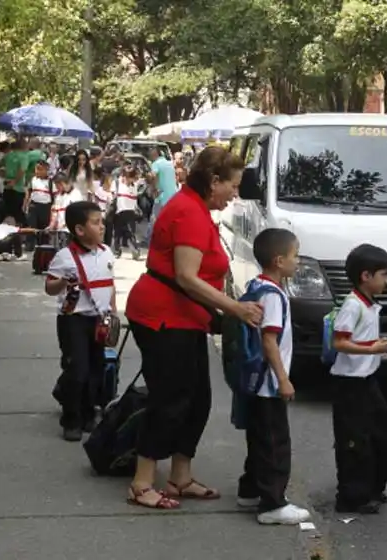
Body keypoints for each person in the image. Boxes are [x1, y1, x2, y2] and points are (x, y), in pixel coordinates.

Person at [123, 146, 262, 510]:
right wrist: (235, 308)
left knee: (198, 399)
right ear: (213, 181)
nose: (235, 193)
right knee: (169, 399)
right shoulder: (187, 211)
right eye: (232, 185)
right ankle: (141, 482)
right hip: (163, 316)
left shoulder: (196, 208)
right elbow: (185, 276)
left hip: (186, 318)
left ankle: (180, 476)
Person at [235, 228, 311, 525]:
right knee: (275, 443)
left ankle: (250, 490)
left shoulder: (256, 285)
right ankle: (272, 504)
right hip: (268, 383)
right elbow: (270, 341)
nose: (298, 261)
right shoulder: (274, 296)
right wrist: (283, 379)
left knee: (258, 439)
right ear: (279, 260)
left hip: (253, 381)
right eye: (295, 255)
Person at [329, 244, 387, 514]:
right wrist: (372, 349)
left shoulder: (370, 304)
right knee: (354, 440)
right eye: (384, 274)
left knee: (383, 434)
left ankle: (372, 487)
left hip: (368, 380)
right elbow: (339, 342)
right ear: (366, 276)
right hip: (350, 383)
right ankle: (351, 497)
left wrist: (374, 346)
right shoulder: (353, 305)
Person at [44, 201, 115, 441]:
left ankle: (88, 412)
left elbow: (109, 284)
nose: (102, 226)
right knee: (77, 369)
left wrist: (113, 312)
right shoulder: (64, 257)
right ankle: (71, 419)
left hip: (98, 319)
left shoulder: (106, 252)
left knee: (95, 368)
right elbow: (49, 288)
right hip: (73, 320)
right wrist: (64, 282)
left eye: (102, 221)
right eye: (96, 223)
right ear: (79, 230)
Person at [146, 147, 177, 243]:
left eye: (151, 155)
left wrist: (154, 188)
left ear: (155, 155)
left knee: (154, 218)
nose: (150, 157)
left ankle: (149, 239)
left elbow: (153, 175)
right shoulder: (169, 164)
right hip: (173, 195)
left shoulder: (156, 164)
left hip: (162, 196)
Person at [24, 160, 54, 250]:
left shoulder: (50, 182)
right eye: (36, 169)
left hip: (45, 206)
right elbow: (28, 191)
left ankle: (43, 244)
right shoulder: (33, 179)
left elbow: (53, 195)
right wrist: (26, 203)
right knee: (31, 225)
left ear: (46, 170)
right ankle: (29, 245)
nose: (37, 171)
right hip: (34, 205)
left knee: (44, 226)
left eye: (40, 169)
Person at [49, 173, 84, 248]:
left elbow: (77, 213)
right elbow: (55, 212)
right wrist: (52, 225)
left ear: (61, 183)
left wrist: (67, 223)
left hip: (69, 230)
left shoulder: (76, 194)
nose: (56, 187)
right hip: (59, 229)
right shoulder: (58, 196)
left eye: (56, 185)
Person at [112, 167, 140, 259]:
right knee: (117, 233)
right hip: (118, 212)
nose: (129, 179)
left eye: (131, 177)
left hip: (130, 212)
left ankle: (135, 251)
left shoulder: (134, 186)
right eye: (128, 177)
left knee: (131, 233)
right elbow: (112, 196)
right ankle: (116, 251)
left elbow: (135, 200)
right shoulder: (116, 183)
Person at [2, 138, 27, 224]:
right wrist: (15, 181)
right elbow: (22, 170)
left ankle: (7, 228)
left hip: (6, 186)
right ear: (22, 146)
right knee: (17, 211)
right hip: (18, 188)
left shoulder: (7, 155)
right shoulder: (23, 156)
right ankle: (20, 229)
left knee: (8, 210)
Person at [92, 168, 115, 246]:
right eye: (109, 181)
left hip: (108, 215)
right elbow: (95, 202)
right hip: (100, 213)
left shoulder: (112, 193)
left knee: (108, 232)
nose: (110, 183)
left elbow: (111, 205)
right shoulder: (99, 190)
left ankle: (107, 246)